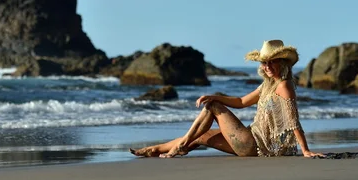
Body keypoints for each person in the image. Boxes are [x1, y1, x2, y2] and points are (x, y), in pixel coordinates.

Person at [129, 40, 325, 158]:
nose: (267, 66)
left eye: (272, 62)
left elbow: (293, 121)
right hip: (250, 142)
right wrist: (216, 95)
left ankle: (180, 146)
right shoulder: (268, 85)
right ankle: (153, 150)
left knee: (213, 106)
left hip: (255, 145)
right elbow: (241, 102)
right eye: (265, 62)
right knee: (203, 136)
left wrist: (305, 150)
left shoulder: (284, 85)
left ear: (282, 63)